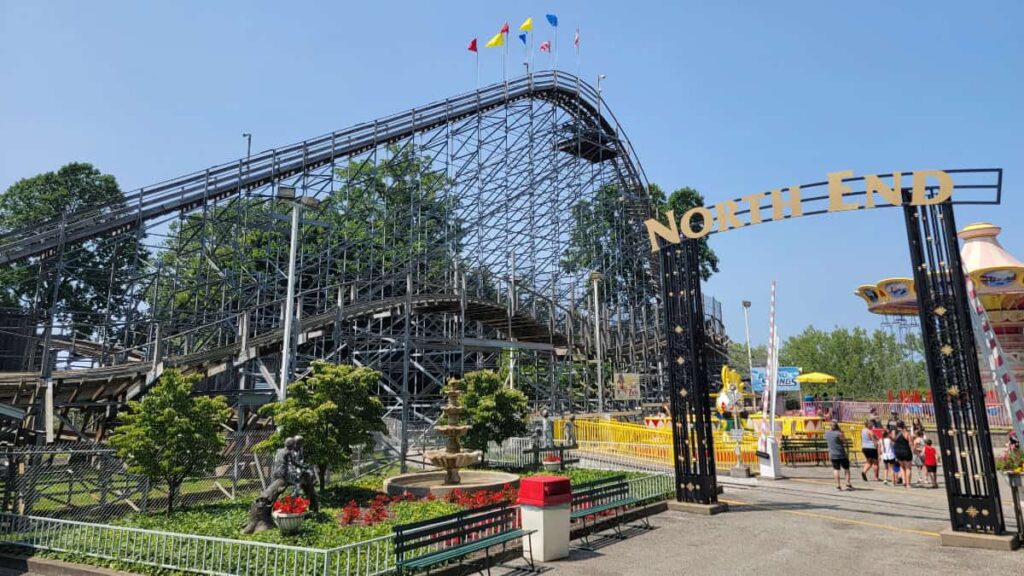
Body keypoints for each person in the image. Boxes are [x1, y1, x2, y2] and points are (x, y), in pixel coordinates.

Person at [826, 421, 852, 490]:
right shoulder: (839, 433)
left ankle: (838, 485)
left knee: (836, 469)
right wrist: (841, 433)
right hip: (841, 453)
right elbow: (844, 441)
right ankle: (848, 484)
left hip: (832, 453)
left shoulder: (827, 433)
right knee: (846, 468)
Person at [894, 422, 914, 489]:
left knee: (902, 467)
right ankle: (908, 484)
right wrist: (913, 450)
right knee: (908, 468)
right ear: (904, 425)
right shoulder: (906, 433)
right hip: (905, 451)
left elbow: (893, 440)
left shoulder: (894, 432)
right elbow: (910, 443)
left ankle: (904, 481)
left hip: (897, 451)